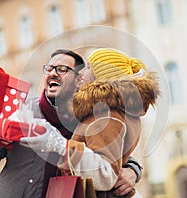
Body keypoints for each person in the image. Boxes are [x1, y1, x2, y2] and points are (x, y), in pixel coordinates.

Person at [0, 49, 143, 198]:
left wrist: (133, 171)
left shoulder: (87, 116)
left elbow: (113, 153)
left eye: (62, 69)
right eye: (50, 68)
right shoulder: (22, 110)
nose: (53, 73)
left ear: (79, 79)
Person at [20, 48, 160, 197]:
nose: (80, 73)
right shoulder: (99, 111)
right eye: (49, 68)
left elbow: (106, 173)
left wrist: (60, 145)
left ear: (100, 76)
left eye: (87, 67)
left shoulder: (107, 115)